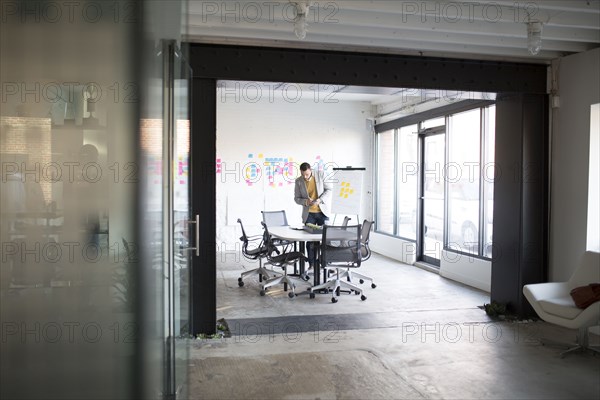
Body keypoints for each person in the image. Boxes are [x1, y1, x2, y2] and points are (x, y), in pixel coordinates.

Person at [294, 162, 332, 268]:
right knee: (310, 241)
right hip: (309, 214)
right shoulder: (298, 181)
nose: (305, 177)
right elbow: (296, 198)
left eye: (306, 174)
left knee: (326, 239)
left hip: (322, 212)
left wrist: (320, 200)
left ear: (310, 170)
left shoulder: (320, 175)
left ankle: (325, 263)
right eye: (303, 174)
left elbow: (329, 190)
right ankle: (311, 264)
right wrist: (306, 202)